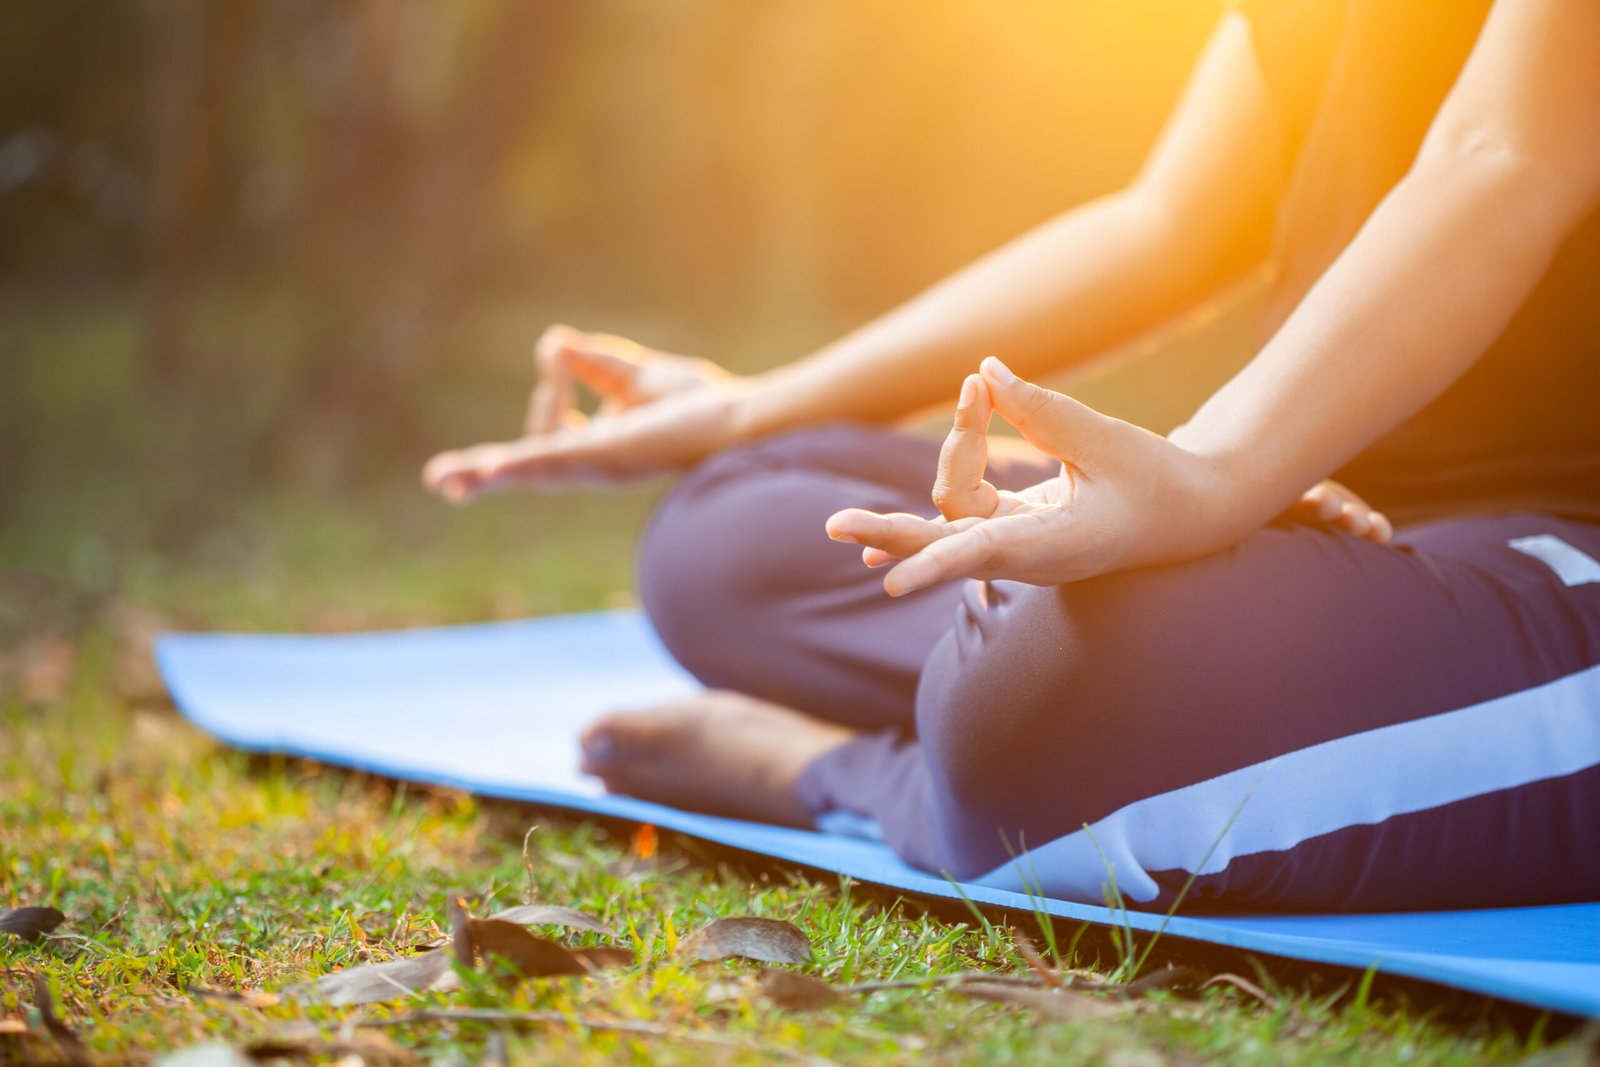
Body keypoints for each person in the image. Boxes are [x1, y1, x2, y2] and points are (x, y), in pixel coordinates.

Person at [424, 0, 1600, 911]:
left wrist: (1217, 473)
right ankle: (1128, 646)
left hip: (1559, 557)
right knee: (724, 533)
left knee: (1041, 701)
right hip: (1318, 511)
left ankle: (853, 770)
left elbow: (1501, 154)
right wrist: (750, 410)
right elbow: (1166, 221)